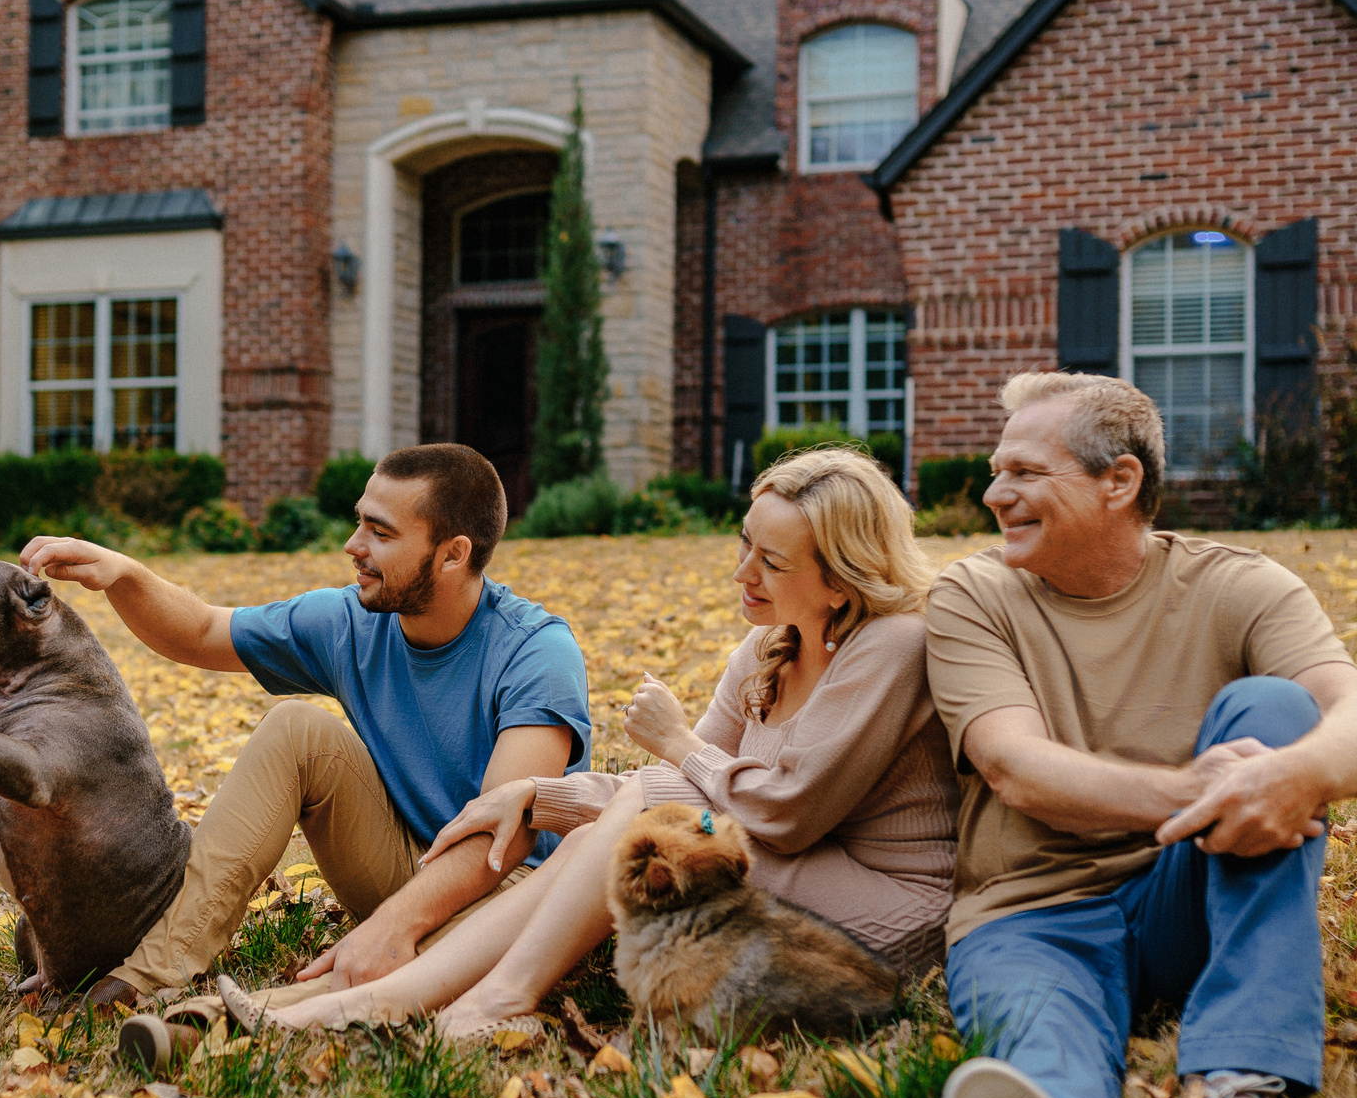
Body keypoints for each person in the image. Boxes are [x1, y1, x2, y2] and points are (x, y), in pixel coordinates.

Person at [925, 372, 1357, 1098]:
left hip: (1190, 891)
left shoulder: (1238, 587)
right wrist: (1191, 788)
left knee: (1279, 710)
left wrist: (1291, 775)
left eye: (1023, 470)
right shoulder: (974, 597)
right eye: (994, 471)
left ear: (1120, 481)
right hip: (1029, 914)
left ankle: (1240, 1086)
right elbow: (1014, 767)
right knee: (1039, 1056)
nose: (993, 494)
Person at [248, 446, 958, 1042]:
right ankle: (392, 997)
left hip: (888, 910)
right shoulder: (769, 644)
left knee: (645, 812)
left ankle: (481, 998)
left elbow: (788, 812)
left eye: (770, 561)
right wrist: (536, 799)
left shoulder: (892, 644)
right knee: (612, 833)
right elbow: (678, 795)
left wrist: (679, 743)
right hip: (791, 868)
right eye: (744, 541)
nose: (742, 572)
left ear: (839, 579)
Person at [19, 444, 591, 1045]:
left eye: (380, 532)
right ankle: (145, 976)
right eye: (359, 520)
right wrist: (125, 574)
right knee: (296, 728)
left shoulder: (536, 652)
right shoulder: (350, 623)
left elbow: (504, 837)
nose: (353, 545)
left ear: (453, 555)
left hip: (512, 893)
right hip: (404, 861)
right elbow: (203, 631)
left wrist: (392, 924)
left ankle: (229, 1020)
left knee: (459, 929)